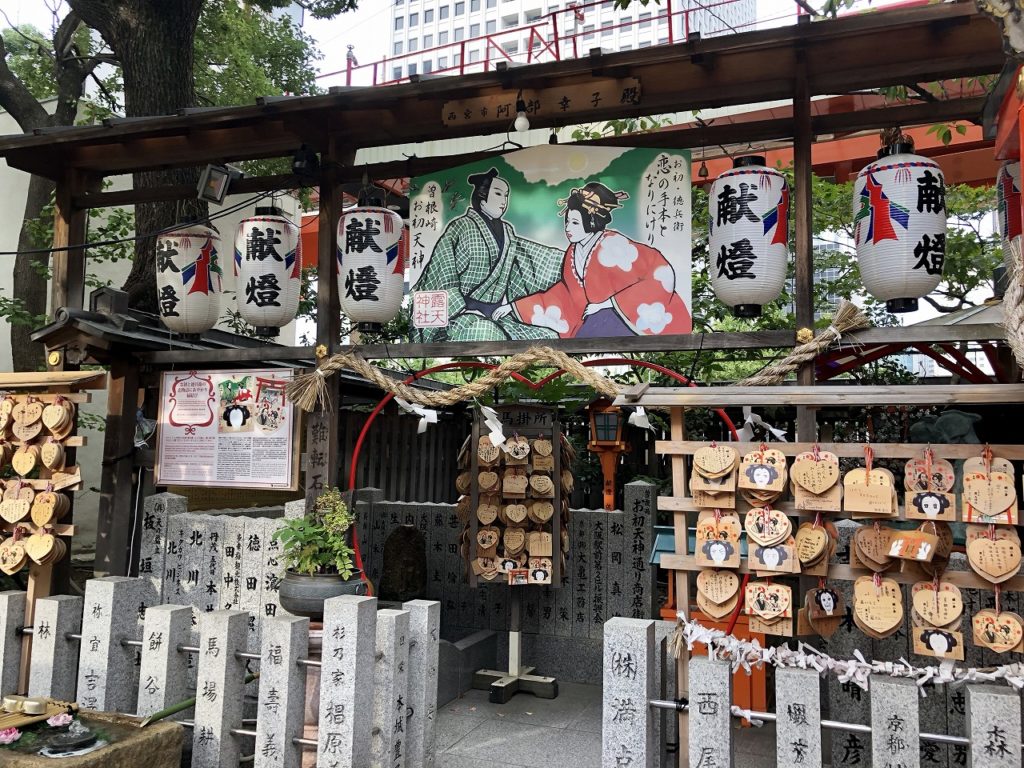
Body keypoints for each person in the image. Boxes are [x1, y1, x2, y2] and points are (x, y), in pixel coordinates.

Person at [497, 182, 691, 337]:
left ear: (590, 221)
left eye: (574, 222)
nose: (568, 228)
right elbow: (564, 295)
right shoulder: (572, 253)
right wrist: (515, 306)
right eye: (567, 222)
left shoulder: (614, 244)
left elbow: (659, 271)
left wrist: (608, 303)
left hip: (627, 317)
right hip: (596, 318)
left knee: (591, 330)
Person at [412, 168, 565, 342]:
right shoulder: (461, 226)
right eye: (498, 194)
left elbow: (530, 256)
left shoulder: (507, 232)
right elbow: (442, 271)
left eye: (506, 195)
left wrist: (571, 259)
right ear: (482, 194)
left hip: (497, 316)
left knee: (549, 337)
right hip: (462, 315)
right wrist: (462, 308)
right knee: (486, 333)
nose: (503, 201)